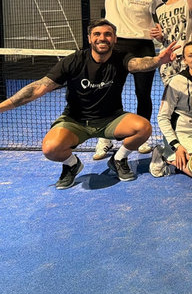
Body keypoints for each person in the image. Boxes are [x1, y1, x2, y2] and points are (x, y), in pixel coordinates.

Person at [0, 19, 177, 189]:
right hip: (75, 121)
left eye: (108, 34)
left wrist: (158, 61)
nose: (102, 38)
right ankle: (72, 164)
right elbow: (38, 88)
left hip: (111, 119)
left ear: (115, 39)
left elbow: (136, 64)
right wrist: (2, 107)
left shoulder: (121, 57)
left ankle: (118, 159)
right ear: (90, 38)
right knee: (50, 148)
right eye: (97, 34)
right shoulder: (74, 61)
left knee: (143, 128)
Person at [79, 0, 164, 160]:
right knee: (109, 92)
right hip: (117, 48)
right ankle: (105, 139)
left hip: (144, 48)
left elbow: (165, 16)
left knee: (143, 94)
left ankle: (141, 136)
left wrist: (162, 30)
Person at [151, 40, 192, 178]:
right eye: (190, 55)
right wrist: (177, 145)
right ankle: (164, 155)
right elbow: (163, 117)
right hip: (181, 135)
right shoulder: (177, 82)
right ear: (185, 60)